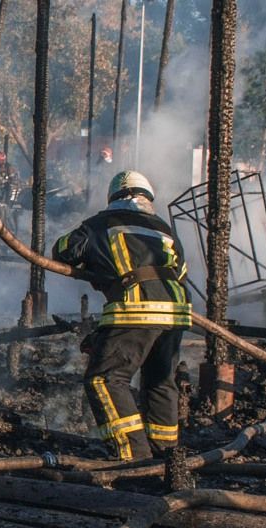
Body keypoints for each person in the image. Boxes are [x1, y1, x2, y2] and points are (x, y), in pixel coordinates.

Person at [52, 170, 191, 462]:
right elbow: (181, 271)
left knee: (105, 380)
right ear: (148, 198)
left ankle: (133, 455)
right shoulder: (164, 230)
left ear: (113, 198)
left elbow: (62, 250)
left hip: (135, 311)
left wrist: (96, 264)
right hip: (176, 314)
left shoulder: (102, 223)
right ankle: (165, 456)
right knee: (160, 381)